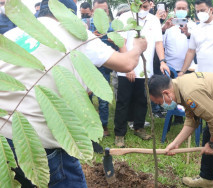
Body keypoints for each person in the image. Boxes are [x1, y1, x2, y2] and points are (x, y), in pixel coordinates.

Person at [0, 0, 147, 187]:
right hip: (37, 144)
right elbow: (126, 63)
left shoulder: (14, 34)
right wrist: (138, 47)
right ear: (68, 15)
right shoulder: (76, 34)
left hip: (3, 140)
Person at [114, 0, 169, 147]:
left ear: (151, 5)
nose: (143, 9)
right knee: (123, 101)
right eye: (140, 6)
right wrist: (128, 66)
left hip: (146, 69)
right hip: (127, 69)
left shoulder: (154, 20)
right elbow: (122, 43)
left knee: (142, 100)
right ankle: (119, 133)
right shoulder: (126, 17)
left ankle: (139, 127)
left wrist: (162, 61)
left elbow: (158, 43)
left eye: (146, 6)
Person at [82, 0, 118, 137]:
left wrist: (114, 43)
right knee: (86, 97)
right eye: (98, 11)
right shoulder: (85, 27)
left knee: (103, 99)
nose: (102, 14)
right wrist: (91, 38)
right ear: (92, 12)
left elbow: (116, 50)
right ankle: (88, 125)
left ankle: (103, 125)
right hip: (86, 68)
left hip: (103, 68)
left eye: (105, 11)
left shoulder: (111, 28)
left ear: (108, 12)